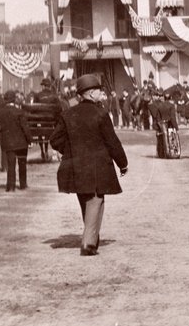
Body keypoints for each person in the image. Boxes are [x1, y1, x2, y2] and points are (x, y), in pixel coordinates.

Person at [49, 73, 129, 257]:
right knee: (96, 200)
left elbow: (55, 140)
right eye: (99, 91)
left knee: (87, 201)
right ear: (91, 94)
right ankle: (88, 243)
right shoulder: (101, 114)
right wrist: (122, 164)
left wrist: (70, 150)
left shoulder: (68, 114)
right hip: (97, 166)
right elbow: (112, 142)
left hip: (75, 167)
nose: (102, 94)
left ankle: (92, 236)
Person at [0, 90, 32, 192]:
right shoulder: (19, 112)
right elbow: (25, 128)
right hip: (21, 143)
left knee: (10, 165)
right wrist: (29, 140)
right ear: (14, 100)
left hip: (8, 142)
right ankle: (23, 184)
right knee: (22, 164)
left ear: (5, 100)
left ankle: (11, 186)